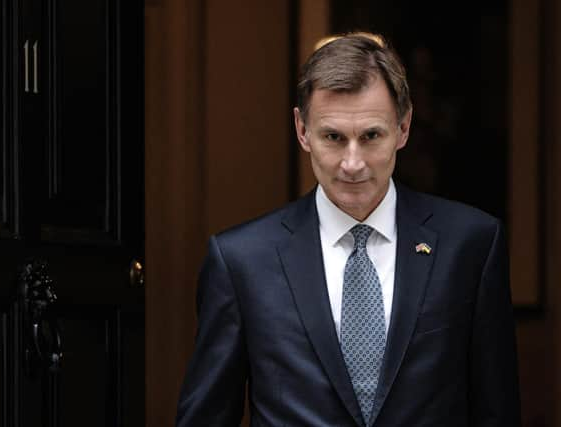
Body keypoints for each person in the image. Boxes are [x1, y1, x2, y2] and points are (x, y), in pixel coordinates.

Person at [176, 32, 521, 426]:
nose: (352, 162)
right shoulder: (241, 261)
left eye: (371, 136)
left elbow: (498, 411)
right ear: (302, 130)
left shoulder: (471, 244)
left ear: (404, 128)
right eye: (334, 138)